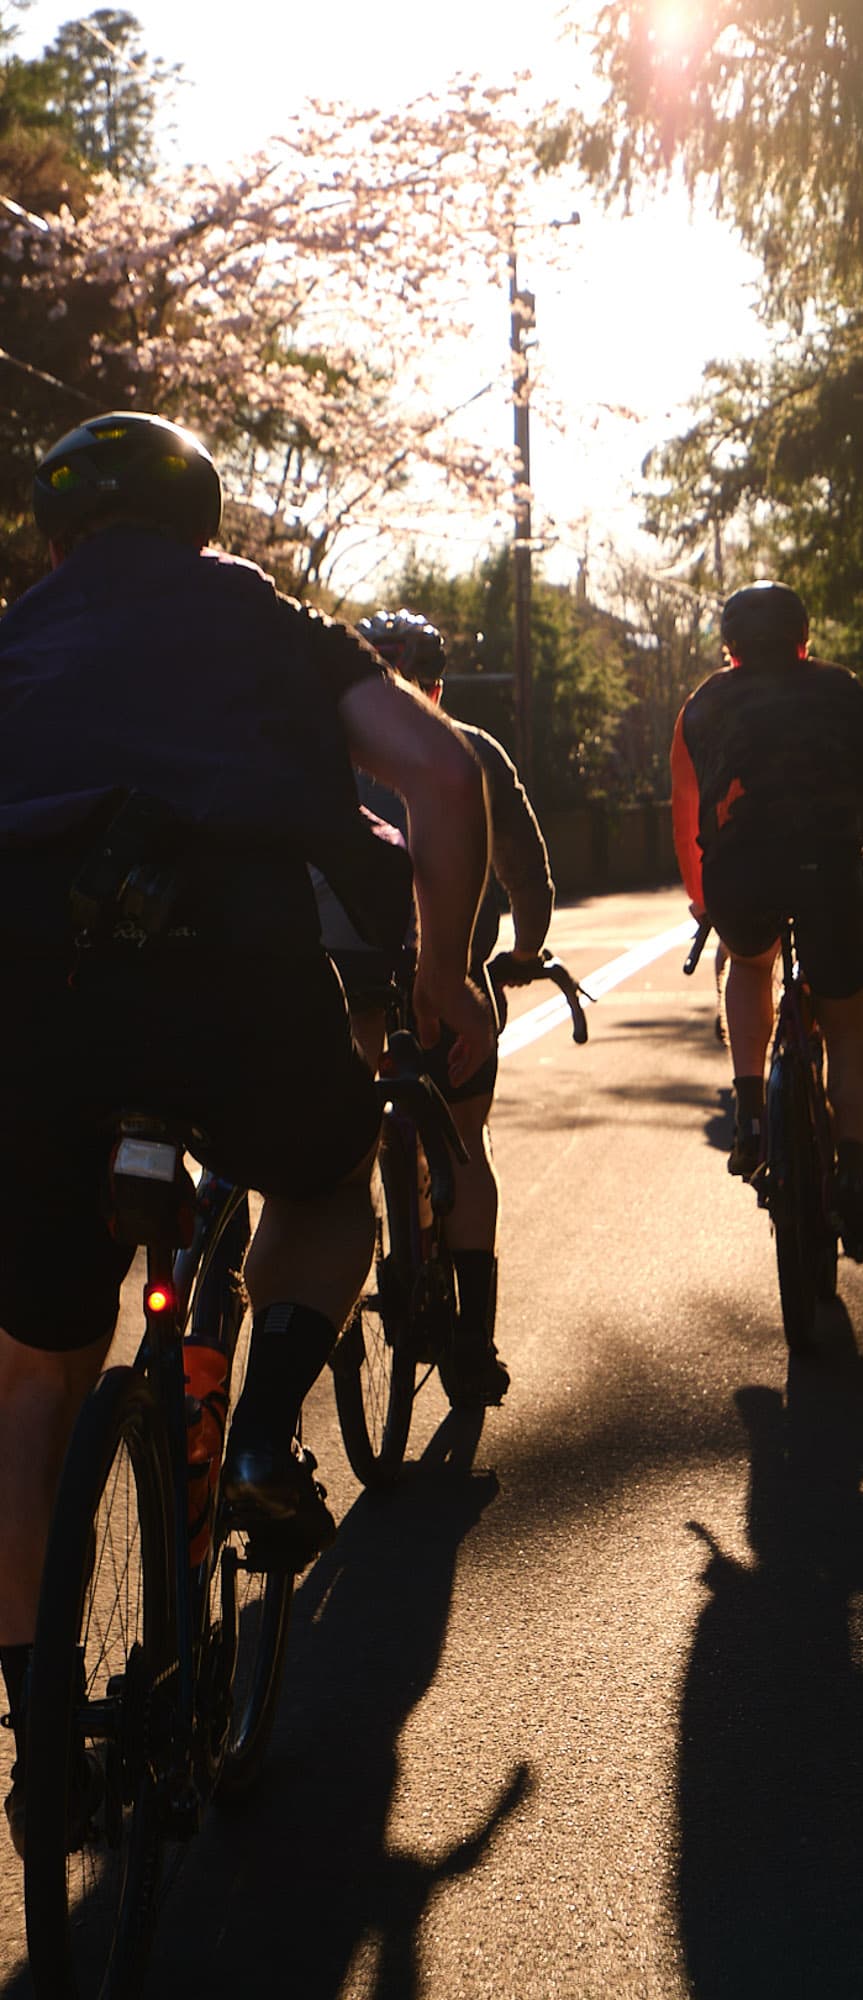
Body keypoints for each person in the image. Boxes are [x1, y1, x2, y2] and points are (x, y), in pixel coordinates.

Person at [0, 411, 492, 1853]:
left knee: (32, 1385)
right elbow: (443, 772)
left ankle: (43, 1747)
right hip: (232, 982)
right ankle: (267, 1436)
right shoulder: (270, 619)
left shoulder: (13, 634)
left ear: (51, 536)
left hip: (34, 1000)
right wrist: (441, 970)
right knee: (331, 1188)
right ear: (203, 520)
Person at [316, 608, 555, 1409]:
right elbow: (528, 877)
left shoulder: (313, 748)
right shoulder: (470, 750)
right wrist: (524, 952)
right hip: (447, 987)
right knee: (464, 1150)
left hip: (343, 980)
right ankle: (473, 1344)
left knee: (340, 1163)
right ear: (437, 685)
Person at [670, 579, 863, 1263]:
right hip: (829, 873)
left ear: (730, 647)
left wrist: (701, 899)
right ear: (802, 638)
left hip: (740, 873)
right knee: (846, 1030)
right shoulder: (844, 692)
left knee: (749, 963)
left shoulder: (704, 704)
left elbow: (688, 809)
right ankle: (851, 1178)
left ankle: (750, 1115)